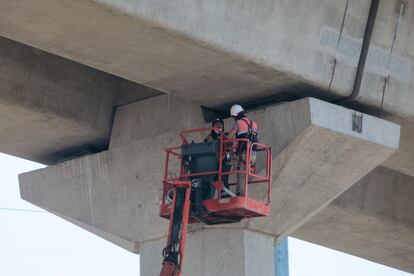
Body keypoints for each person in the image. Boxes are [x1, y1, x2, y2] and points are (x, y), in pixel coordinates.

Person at [228, 104, 258, 196]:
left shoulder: (238, 123)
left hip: (244, 154)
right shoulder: (254, 124)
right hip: (253, 154)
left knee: (241, 175)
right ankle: (239, 193)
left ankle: (241, 196)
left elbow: (230, 137)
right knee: (243, 174)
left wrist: (226, 140)